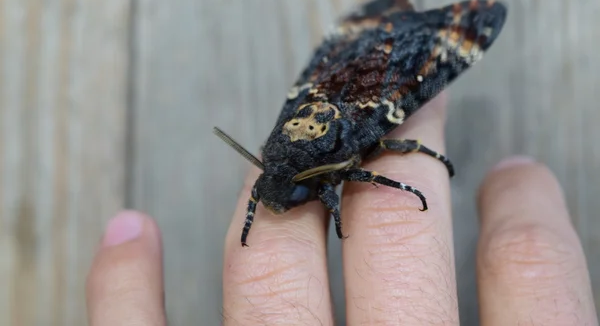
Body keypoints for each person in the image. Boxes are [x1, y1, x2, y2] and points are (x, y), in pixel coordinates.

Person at [85, 95, 598, 325]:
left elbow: (352, 175)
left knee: (364, 168)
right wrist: (254, 215)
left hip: (343, 121)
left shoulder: (334, 167)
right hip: (314, 121)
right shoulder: (278, 170)